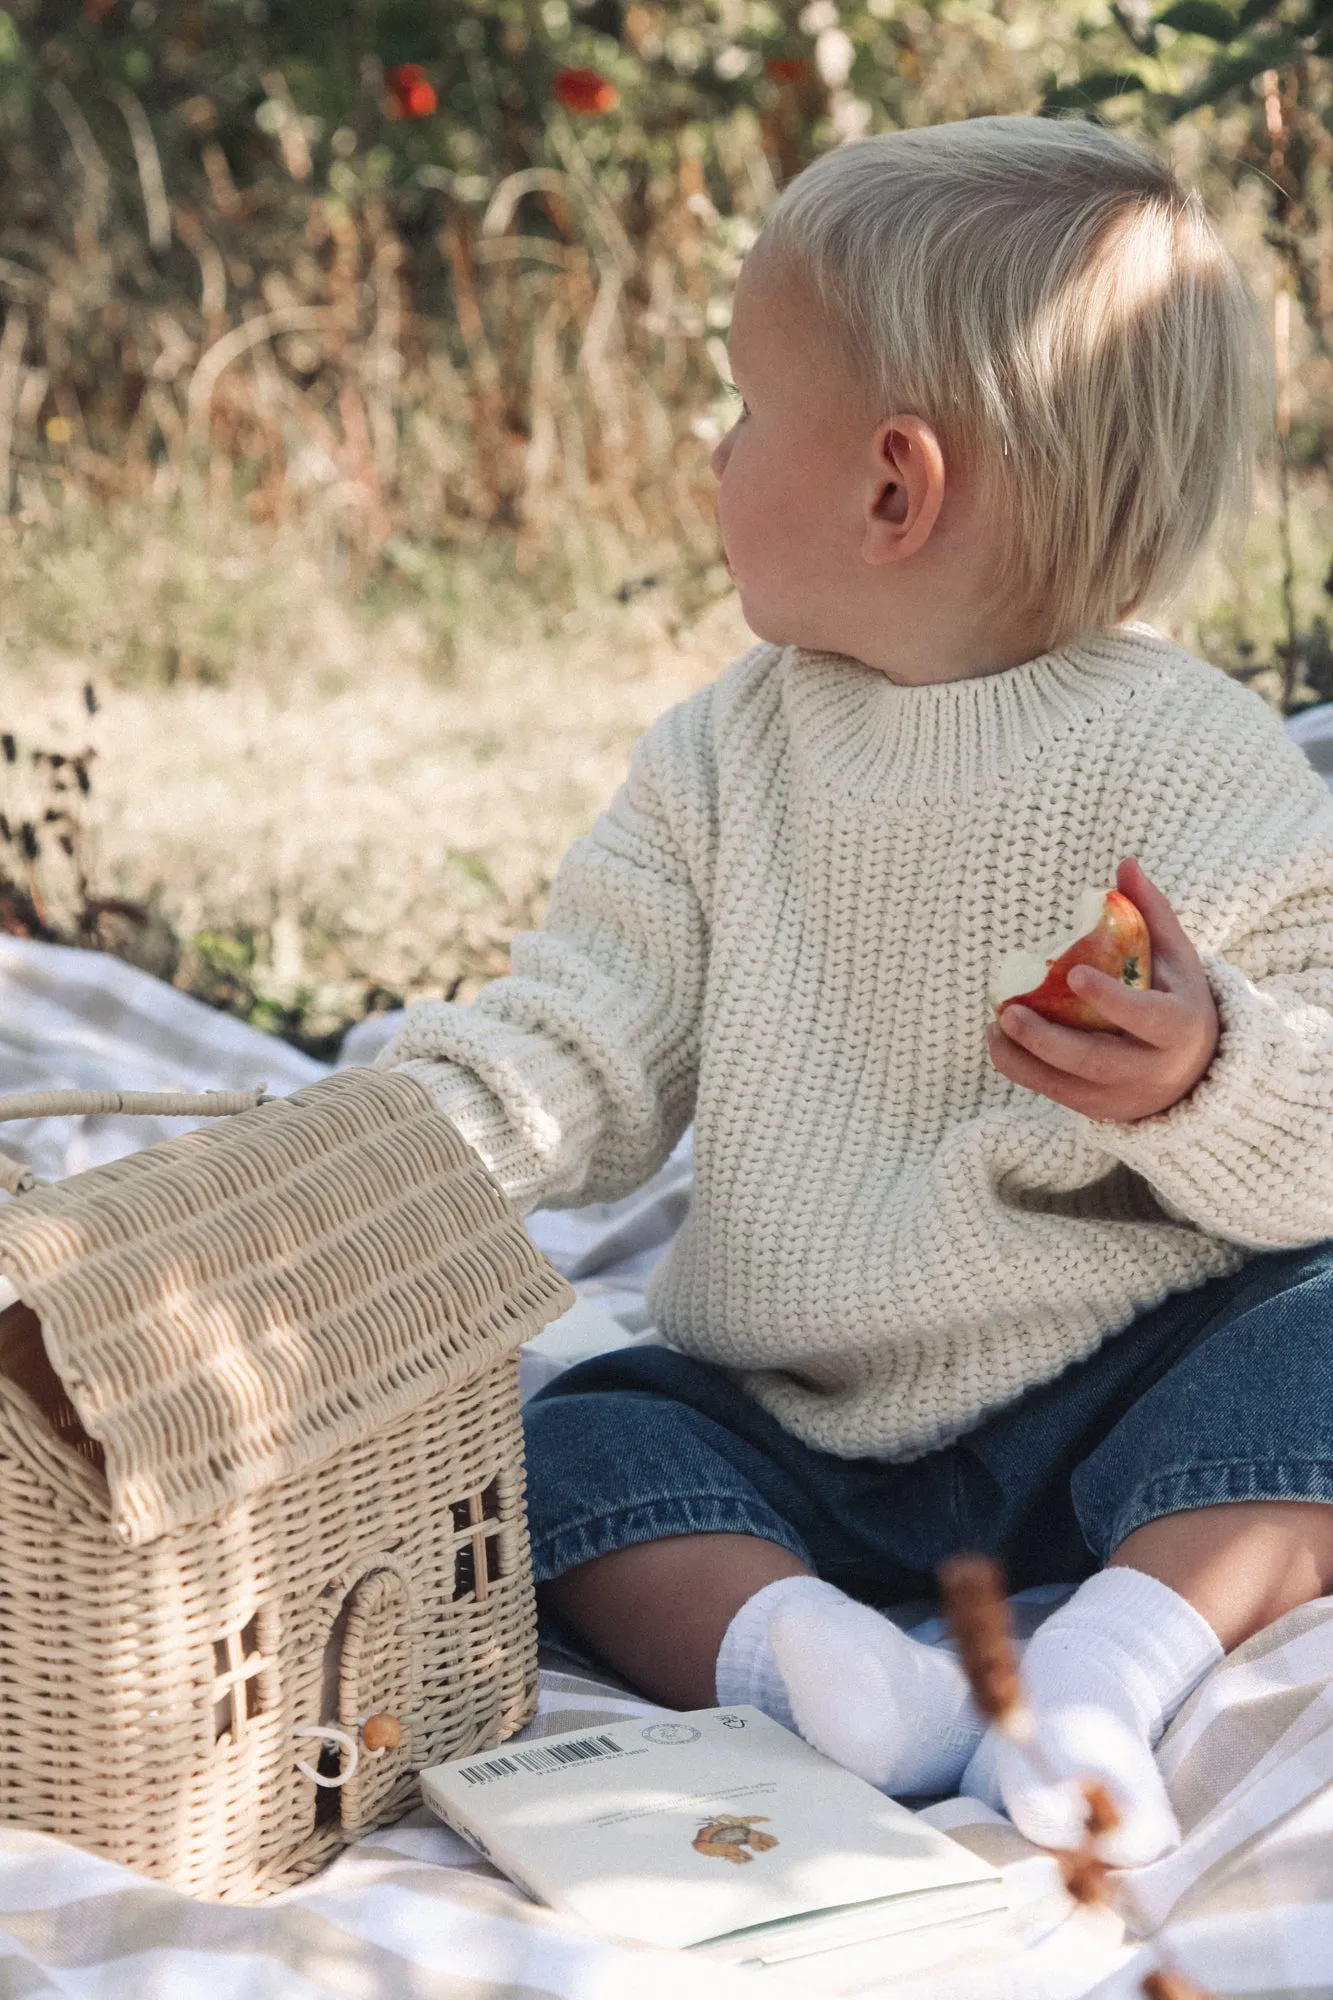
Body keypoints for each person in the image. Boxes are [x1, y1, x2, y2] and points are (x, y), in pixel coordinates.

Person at [378, 116, 1333, 1868]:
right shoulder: (728, 757)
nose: (714, 449)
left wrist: (1211, 1070)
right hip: (794, 1416)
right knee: (568, 1441)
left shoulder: (1193, 761)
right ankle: (821, 1666)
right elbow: (584, 1033)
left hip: (1127, 1388)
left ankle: (1113, 1656)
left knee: (1326, 1332)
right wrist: (406, 1141)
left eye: (743, 412)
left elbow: (1327, 1121)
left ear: (895, 487)